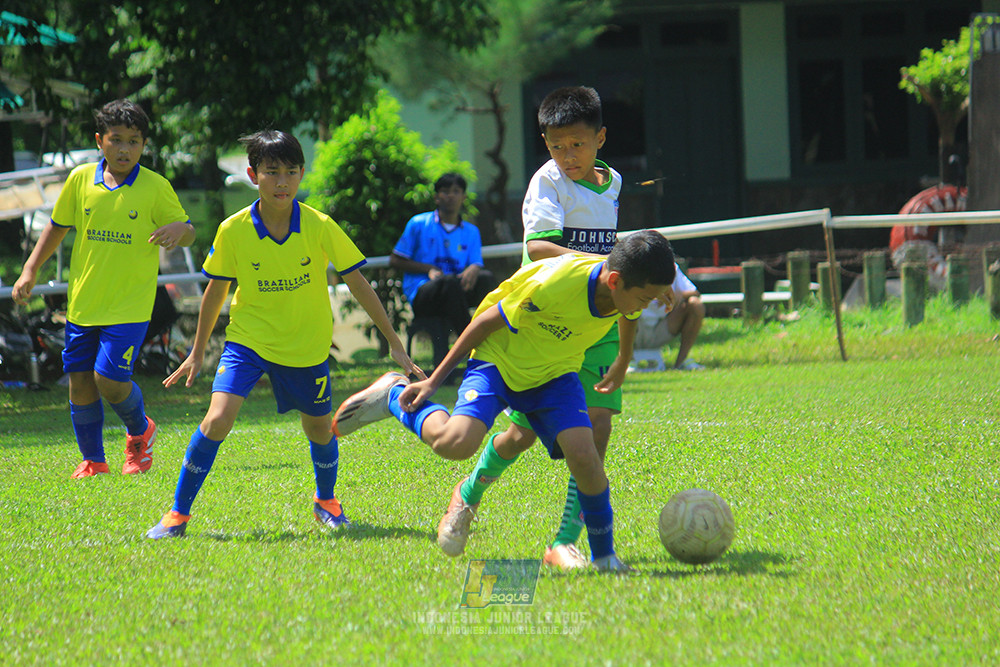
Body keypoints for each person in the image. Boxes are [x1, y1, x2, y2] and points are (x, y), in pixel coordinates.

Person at [332, 230, 677, 572]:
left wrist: (623, 358)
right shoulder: (556, 283)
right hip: (499, 359)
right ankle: (394, 393)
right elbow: (483, 322)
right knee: (455, 443)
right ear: (615, 281)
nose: (645, 308)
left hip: (554, 374)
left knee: (586, 456)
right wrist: (433, 381)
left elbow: (628, 313)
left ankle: (604, 558)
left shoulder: (624, 287)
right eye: (645, 299)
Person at [145, 130, 421, 539]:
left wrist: (395, 344)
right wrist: (197, 351)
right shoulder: (232, 230)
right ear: (253, 175)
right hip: (248, 341)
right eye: (272, 172)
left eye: (291, 172)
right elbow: (215, 291)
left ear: (301, 174)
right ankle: (177, 515)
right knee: (217, 419)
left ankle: (326, 502)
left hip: (305, 346)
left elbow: (360, 284)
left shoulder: (320, 226)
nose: (282, 181)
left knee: (319, 429)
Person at [429, 86, 632, 571]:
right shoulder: (547, 183)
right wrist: (604, 265)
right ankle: (470, 489)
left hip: (597, 320)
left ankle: (565, 542)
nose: (568, 156)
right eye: (557, 146)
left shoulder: (614, 182)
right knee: (518, 437)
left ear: (600, 138)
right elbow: (540, 250)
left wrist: (623, 346)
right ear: (545, 144)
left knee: (594, 431)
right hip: (542, 322)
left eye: (578, 145)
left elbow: (616, 269)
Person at [11, 99, 194, 478]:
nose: (125, 149)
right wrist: (30, 269)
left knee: (109, 380)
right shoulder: (80, 180)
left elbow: (187, 230)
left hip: (130, 306)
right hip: (84, 303)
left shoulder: (156, 187)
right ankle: (93, 460)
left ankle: (140, 430)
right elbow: (56, 228)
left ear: (144, 144)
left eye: (134, 141)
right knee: (79, 381)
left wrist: (181, 230)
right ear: (100, 140)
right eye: (116, 140)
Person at [389, 173, 496, 370]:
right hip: (423, 293)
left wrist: (474, 268)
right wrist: (428, 268)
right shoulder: (419, 223)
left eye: (456, 191)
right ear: (437, 197)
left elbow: (474, 262)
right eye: (445, 191)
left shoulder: (471, 231)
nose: (451, 196)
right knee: (449, 283)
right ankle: (473, 346)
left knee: (486, 279)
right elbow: (395, 259)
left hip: (455, 293)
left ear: (464, 197)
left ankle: (495, 339)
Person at [629, 263, 705, 372]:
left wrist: (678, 295)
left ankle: (681, 362)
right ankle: (627, 360)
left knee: (695, 305)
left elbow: (694, 292)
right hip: (633, 327)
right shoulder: (631, 263)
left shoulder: (670, 266)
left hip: (662, 327)